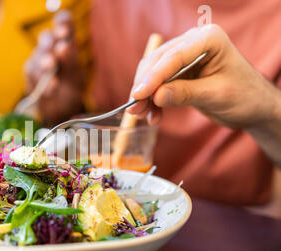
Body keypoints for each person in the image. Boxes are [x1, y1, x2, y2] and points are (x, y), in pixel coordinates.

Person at [26, 0, 281, 210]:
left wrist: (269, 110)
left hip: (239, 227)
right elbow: (94, 132)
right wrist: (65, 106)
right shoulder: (101, 9)